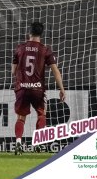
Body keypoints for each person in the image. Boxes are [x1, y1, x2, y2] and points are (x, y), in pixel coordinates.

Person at [12, 22, 65, 155]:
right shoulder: (45, 50)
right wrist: (62, 89)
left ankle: (18, 142)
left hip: (22, 88)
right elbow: (55, 71)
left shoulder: (20, 48)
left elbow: (13, 71)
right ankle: (38, 143)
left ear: (29, 33)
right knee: (41, 114)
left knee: (21, 117)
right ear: (41, 34)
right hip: (37, 89)